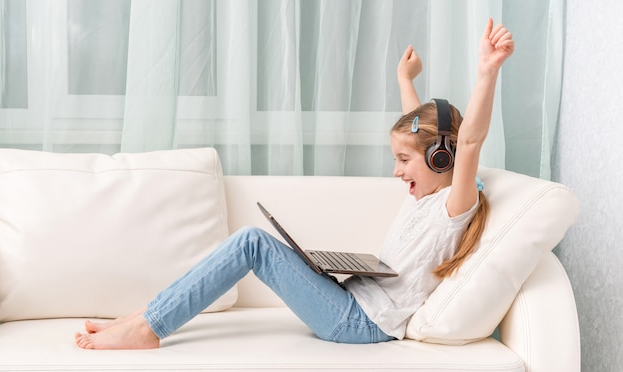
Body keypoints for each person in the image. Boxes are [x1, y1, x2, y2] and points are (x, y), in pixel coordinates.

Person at [75, 18, 514, 350]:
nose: (397, 172)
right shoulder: (429, 191)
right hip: (351, 300)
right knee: (256, 243)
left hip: (360, 323)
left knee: (251, 243)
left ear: (443, 158)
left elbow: (470, 139)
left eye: (403, 161)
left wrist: (487, 72)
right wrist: (406, 81)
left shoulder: (455, 206)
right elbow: (420, 132)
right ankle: (145, 316)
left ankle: (147, 328)